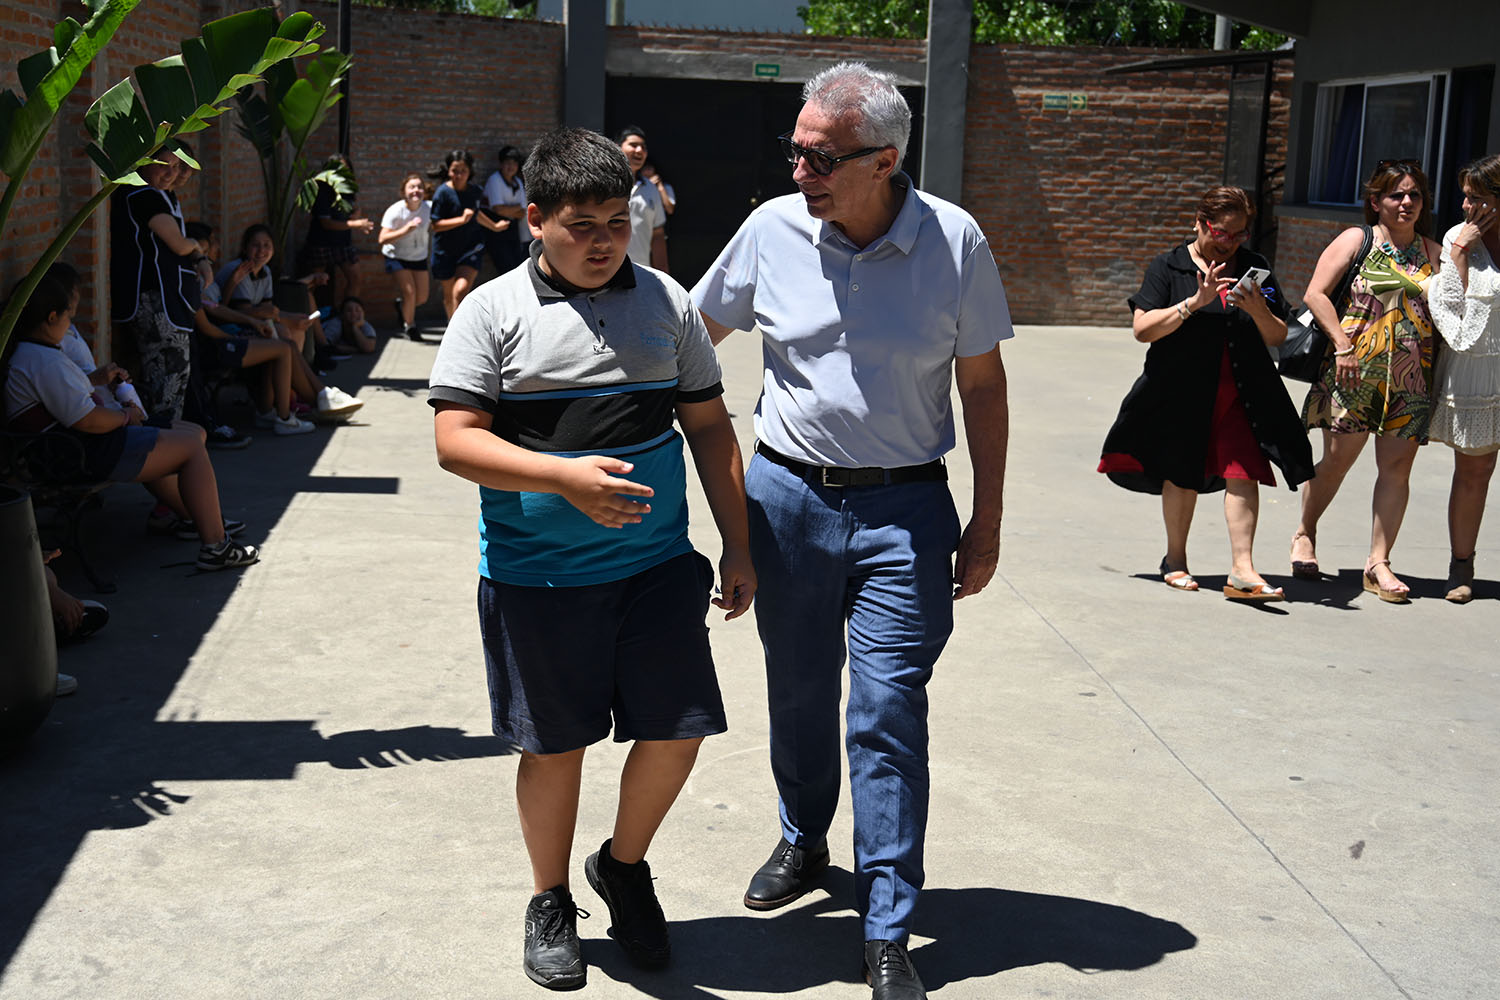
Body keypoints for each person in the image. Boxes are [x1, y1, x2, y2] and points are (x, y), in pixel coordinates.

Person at [692, 62, 1010, 1000]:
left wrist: (987, 520)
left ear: (885, 159)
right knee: (797, 692)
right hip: (785, 500)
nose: (800, 172)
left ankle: (886, 924)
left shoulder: (954, 241)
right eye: (795, 152)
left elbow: (983, 387)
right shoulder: (770, 230)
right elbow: (688, 339)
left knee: (886, 712)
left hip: (905, 513)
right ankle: (803, 837)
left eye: (821, 157)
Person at [428, 126, 755, 991]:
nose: (605, 240)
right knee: (555, 747)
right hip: (538, 578)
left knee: (679, 731)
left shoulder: (667, 303)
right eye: (582, 224)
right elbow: (455, 441)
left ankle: (623, 865)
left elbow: (709, 426)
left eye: (618, 220)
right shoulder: (491, 311)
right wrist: (561, 477)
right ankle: (549, 898)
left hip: (656, 567)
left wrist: (738, 542)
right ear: (535, 218)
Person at [1098, 186, 1314, 600]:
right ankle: (1175, 559)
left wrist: (1258, 310)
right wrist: (1194, 303)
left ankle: (1243, 570)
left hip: (1241, 390)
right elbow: (1143, 329)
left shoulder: (1255, 268)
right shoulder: (1170, 266)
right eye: (1221, 232)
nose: (1229, 243)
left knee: (1243, 469)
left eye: (1239, 234)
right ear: (1199, 223)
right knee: (1182, 472)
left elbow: (1279, 335)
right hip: (1181, 391)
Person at [4, 267, 260, 571]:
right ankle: (216, 546)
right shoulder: (43, 361)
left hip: (73, 448)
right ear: (51, 318)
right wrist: (125, 416)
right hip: (79, 454)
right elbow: (88, 420)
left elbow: (71, 399)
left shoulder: (34, 353)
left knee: (187, 435)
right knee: (191, 446)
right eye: (67, 317)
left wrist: (100, 386)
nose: (70, 324)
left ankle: (197, 518)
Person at [1290, 160, 1443, 603]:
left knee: (1397, 470)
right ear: (1376, 201)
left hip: (1411, 378)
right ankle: (1305, 532)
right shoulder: (1357, 240)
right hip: (1353, 370)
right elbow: (1316, 294)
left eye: (1414, 194)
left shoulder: (1434, 253)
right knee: (1337, 462)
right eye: (1397, 194)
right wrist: (1342, 345)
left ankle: (1378, 563)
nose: (1407, 202)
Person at [1429, 153, 1500, 603]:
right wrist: (1459, 252)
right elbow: (1450, 312)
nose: (1465, 206)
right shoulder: (1458, 237)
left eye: (1475, 198)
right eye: (1466, 196)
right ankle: (1462, 566)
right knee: (1474, 472)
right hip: (1476, 371)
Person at [216, 225, 365, 420]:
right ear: (245, 248)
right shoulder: (240, 270)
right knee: (284, 338)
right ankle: (315, 398)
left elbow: (267, 309)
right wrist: (282, 318)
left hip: (249, 324)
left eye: (266, 245)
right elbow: (246, 312)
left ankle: (308, 397)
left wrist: (292, 318)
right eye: (255, 245)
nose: (261, 251)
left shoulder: (264, 271)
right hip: (232, 329)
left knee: (293, 332)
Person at [185, 222, 315, 436]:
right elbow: (207, 326)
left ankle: (270, 409)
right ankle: (289, 415)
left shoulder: (206, 277)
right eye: (205, 251)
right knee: (282, 347)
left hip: (228, 335)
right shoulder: (193, 279)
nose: (213, 251)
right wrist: (237, 334)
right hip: (217, 345)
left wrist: (255, 322)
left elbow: (218, 309)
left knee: (283, 342)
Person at [109, 147, 206, 423]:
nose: (170, 173)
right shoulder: (142, 195)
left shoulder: (157, 195)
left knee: (171, 374)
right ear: (143, 163)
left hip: (161, 298)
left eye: (175, 167)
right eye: (163, 165)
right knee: (168, 375)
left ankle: (171, 435)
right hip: (152, 300)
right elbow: (178, 244)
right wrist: (198, 247)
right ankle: (165, 438)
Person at [429, 149, 508, 320]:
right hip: (445, 250)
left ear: (470, 171)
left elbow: (476, 214)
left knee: (460, 291)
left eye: (463, 170)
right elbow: (435, 225)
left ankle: (461, 331)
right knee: (449, 296)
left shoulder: (475, 191)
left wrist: (494, 226)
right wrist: (461, 220)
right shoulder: (442, 193)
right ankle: (452, 327)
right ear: (448, 171)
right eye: (455, 170)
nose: (459, 175)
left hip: (470, 248)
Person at [298, 153, 375, 304]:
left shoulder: (348, 188)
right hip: (321, 243)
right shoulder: (322, 189)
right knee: (314, 283)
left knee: (356, 279)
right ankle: (310, 314)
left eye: (345, 169)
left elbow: (352, 208)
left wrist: (355, 214)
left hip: (343, 242)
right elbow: (326, 223)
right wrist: (356, 224)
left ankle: (348, 312)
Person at [379, 172, 432, 341]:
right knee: (410, 293)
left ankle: (402, 306)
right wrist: (405, 230)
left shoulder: (429, 208)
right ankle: (410, 326)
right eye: (412, 187)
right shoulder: (395, 211)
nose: (416, 190)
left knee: (421, 297)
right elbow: (382, 238)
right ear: (403, 192)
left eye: (419, 187)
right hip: (397, 256)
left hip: (418, 257)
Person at [616, 126, 668, 272]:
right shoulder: (605, 184)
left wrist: (663, 274)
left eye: (643, 147)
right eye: (633, 145)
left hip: (640, 272)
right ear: (618, 147)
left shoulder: (651, 189)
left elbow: (658, 234)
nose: (639, 150)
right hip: (608, 273)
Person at [482, 145, 529, 276]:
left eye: (514, 163)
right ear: (501, 164)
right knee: (505, 268)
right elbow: (498, 209)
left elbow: (523, 212)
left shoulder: (517, 182)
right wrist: (516, 208)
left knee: (517, 266)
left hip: (513, 229)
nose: (511, 167)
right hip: (495, 230)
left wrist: (509, 209)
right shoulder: (495, 180)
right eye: (507, 163)